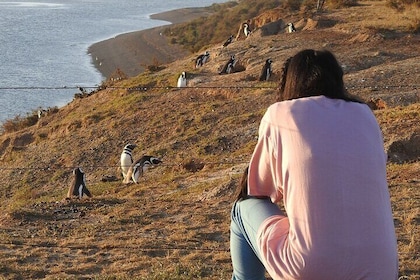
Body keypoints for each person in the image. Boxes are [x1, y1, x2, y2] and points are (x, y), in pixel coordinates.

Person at [230, 49, 398, 280]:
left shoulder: (279, 114)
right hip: (382, 269)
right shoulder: (365, 114)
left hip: (312, 268)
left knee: (241, 210)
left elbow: (259, 190)